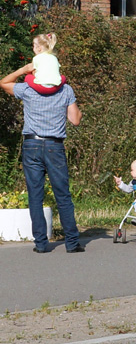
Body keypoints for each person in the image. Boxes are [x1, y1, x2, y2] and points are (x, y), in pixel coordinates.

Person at [1, 52, 83, 253]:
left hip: (31, 145)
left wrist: (23, 70)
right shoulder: (65, 90)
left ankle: (40, 244)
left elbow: (4, 83)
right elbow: (76, 120)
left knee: (35, 195)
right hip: (54, 146)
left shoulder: (27, 89)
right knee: (62, 195)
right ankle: (72, 243)